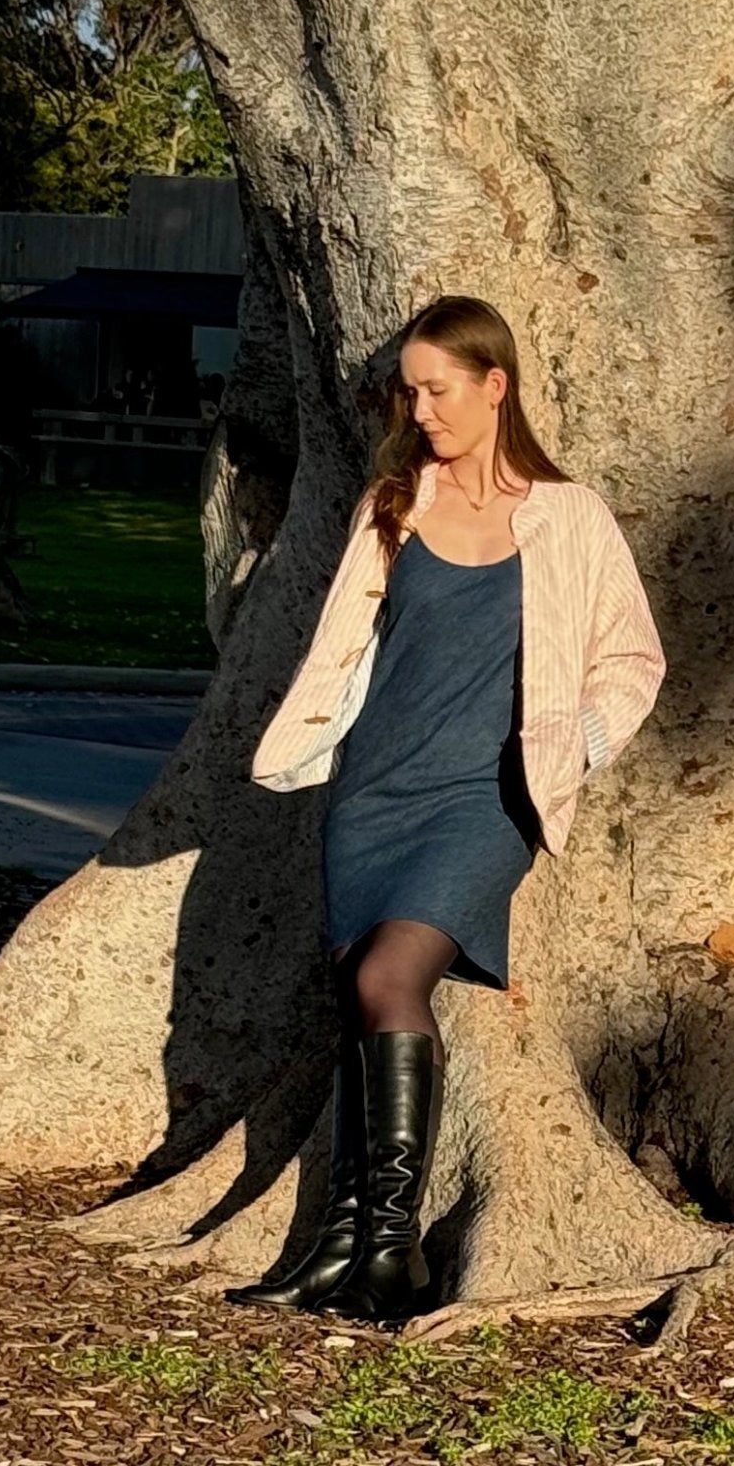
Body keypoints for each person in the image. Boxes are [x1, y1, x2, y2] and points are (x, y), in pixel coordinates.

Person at [225, 294, 666, 1323]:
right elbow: (343, 647)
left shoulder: (570, 517)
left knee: (388, 977)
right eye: (409, 393)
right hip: (373, 789)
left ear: (493, 385)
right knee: (358, 1004)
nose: (419, 410)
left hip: (486, 799)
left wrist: (569, 748)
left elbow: (632, 659)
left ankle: (395, 1248)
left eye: (437, 390)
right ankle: (341, 1248)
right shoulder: (394, 505)